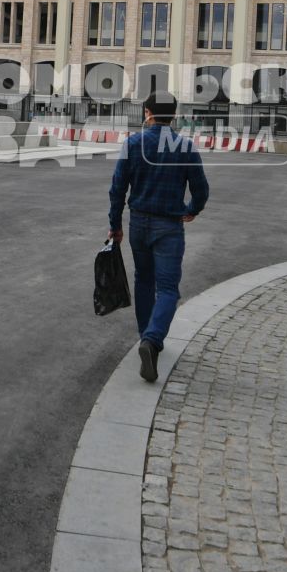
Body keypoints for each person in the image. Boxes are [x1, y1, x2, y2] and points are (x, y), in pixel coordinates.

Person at [107, 92, 209, 384]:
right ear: (173, 115)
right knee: (168, 290)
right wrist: (192, 210)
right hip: (169, 226)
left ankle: (145, 337)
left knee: (143, 280)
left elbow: (117, 189)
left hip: (138, 222)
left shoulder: (133, 143)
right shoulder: (185, 147)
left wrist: (115, 225)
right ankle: (152, 340)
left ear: (147, 113)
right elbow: (201, 189)